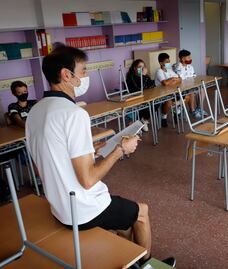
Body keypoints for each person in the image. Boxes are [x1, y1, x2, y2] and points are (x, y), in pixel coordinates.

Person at [25, 45, 175, 267]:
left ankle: (128, 260)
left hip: (58, 206)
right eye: (83, 70)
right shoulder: (74, 114)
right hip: (83, 210)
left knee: (123, 221)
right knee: (142, 211)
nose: (86, 76)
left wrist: (88, 151)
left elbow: (44, 163)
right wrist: (120, 150)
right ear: (67, 75)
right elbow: (87, 180)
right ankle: (147, 265)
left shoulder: (36, 111)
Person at [174, 49, 206, 119]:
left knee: (202, 90)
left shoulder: (190, 67)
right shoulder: (177, 67)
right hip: (182, 89)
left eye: (190, 57)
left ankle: (199, 108)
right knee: (191, 92)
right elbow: (180, 80)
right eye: (188, 57)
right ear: (182, 59)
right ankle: (192, 110)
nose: (190, 59)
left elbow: (194, 77)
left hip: (191, 86)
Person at [126, 59, 155, 131]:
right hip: (135, 98)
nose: (142, 69)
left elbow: (152, 85)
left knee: (156, 102)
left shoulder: (145, 76)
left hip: (145, 97)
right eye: (139, 67)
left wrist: (144, 77)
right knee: (148, 104)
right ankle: (139, 121)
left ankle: (144, 120)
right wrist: (143, 76)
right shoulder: (131, 77)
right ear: (135, 68)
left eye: (143, 67)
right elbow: (140, 88)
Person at [155, 53, 182, 127]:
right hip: (161, 93)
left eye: (169, 61)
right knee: (169, 100)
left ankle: (176, 112)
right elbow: (165, 83)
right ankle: (164, 117)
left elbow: (180, 80)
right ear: (161, 63)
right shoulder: (159, 71)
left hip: (171, 91)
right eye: (166, 62)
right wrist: (173, 79)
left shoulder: (170, 70)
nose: (168, 63)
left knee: (184, 96)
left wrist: (172, 80)